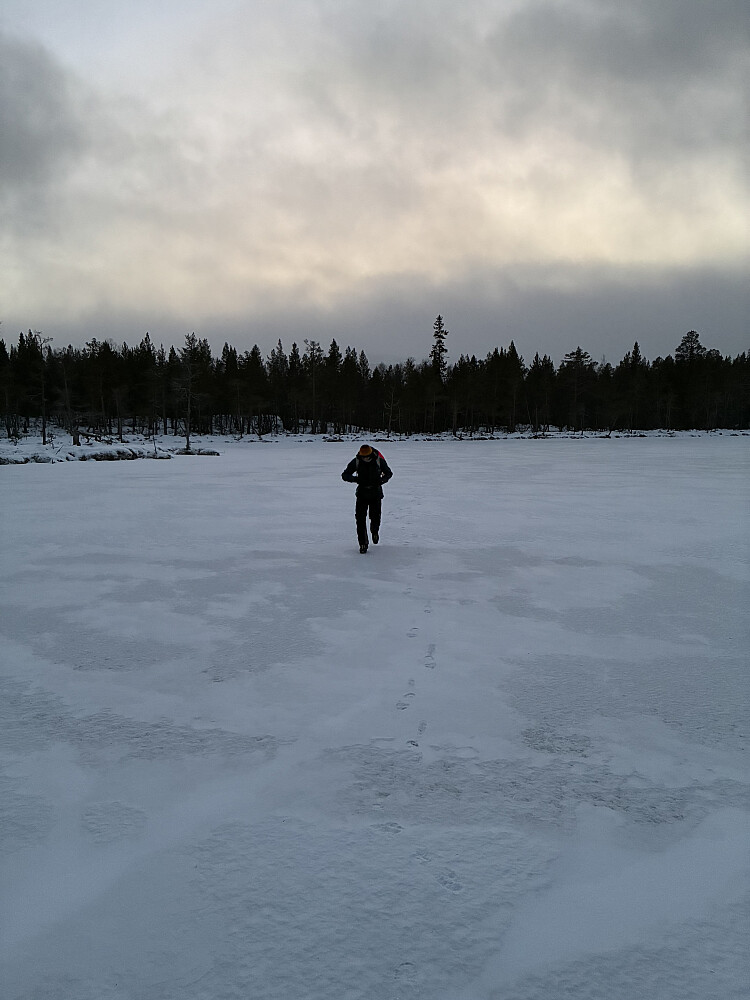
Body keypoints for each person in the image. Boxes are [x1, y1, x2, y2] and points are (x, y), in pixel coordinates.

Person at [341, 444, 393, 553]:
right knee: (360, 519)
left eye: (367, 457)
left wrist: (381, 481)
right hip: (361, 494)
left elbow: (389, 473)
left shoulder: (379, 461)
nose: (365, 459)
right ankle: (363, 544)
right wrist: (356, 479)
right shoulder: (356, 461)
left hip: (376, 493)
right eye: (363, 457)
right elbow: (345, 475)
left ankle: (374, 532)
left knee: (375, 516)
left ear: (371, 454)